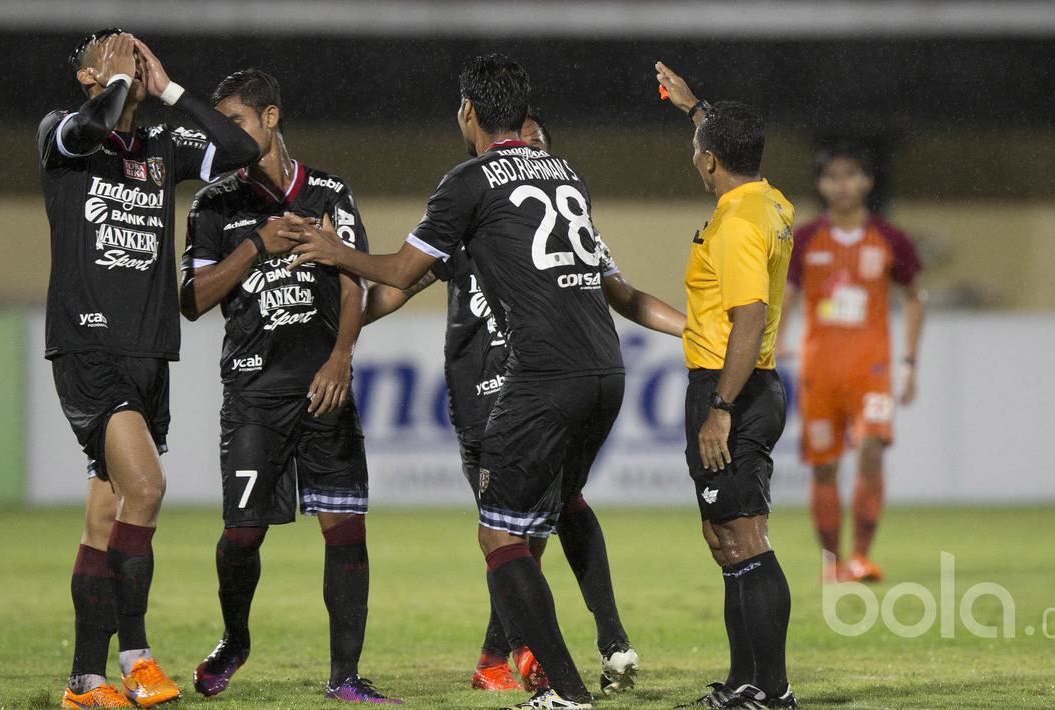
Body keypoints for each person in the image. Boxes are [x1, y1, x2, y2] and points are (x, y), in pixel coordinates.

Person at [278, 53, 622, 710]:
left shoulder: (468, 181)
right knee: (545, 515)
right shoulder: (563, 170)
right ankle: (558, 653)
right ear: (523, 114)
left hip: (542, 374)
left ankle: (563, 690)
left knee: (500, 533)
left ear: (467, 113)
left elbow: (402, 272)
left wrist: (335, 252)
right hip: (605, 367)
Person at [363, 109, 683, 695]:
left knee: (533, 522)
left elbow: (621, 291)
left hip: (538, 384)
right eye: (521, 142)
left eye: (538, 145)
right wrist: (344, 333)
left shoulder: (558, 224)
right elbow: (399, 283)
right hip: (486, 393)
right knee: (516, 531)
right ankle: (518, 655)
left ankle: (551, 653)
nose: (526, 154)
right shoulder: (468, 215)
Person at [38, 29, 258, 709]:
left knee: (105, 519)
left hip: (149, 351)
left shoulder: (162, 144)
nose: (125, 52)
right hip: (90, 347)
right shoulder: (63, 130)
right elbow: (98, 120)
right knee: (149, 488)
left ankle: (84, 680)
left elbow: (245, 150)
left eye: (133, 48)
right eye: (109, 48)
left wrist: (166, 88)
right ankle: (134, 656)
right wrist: (118, 82)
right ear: (86, 76)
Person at [178, 69, 398, 704]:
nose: (225, 136)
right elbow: (191, 301)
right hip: (254, 392)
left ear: (271, 119)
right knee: (243, 535)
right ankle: (236, 638)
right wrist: (254, 246)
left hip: (324, 386)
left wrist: (342, 355)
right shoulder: (214, 203)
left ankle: (345, 679)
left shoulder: (328, 192)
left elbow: (353, 281)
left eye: (236, 122)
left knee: (345, 527)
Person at [657, 62, 798, 709]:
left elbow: (750, 317)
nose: (695, 162)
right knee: (725, 540)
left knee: (743, 540)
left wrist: (718, 407)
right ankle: (746, 684)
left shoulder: (738, 222)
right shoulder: (766, 199)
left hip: (731, 388)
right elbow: (724, 141)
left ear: (709, 161)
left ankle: (769, 691)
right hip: (743, 386)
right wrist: (695, 109)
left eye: (698, 152)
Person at [784, 145, 924, 582]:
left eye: (850, 176)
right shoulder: (805, 239)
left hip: (872, 372)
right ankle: (832, 562)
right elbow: (785, 295)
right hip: (819, 372)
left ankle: (861, 556)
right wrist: (774, 342)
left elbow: (915, 297)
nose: (841, 185)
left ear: (866, 182)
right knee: (824, 465)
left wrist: (908, 362)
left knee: (870, 452)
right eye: (832, 177)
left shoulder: (891, 239)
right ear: (822, 185)